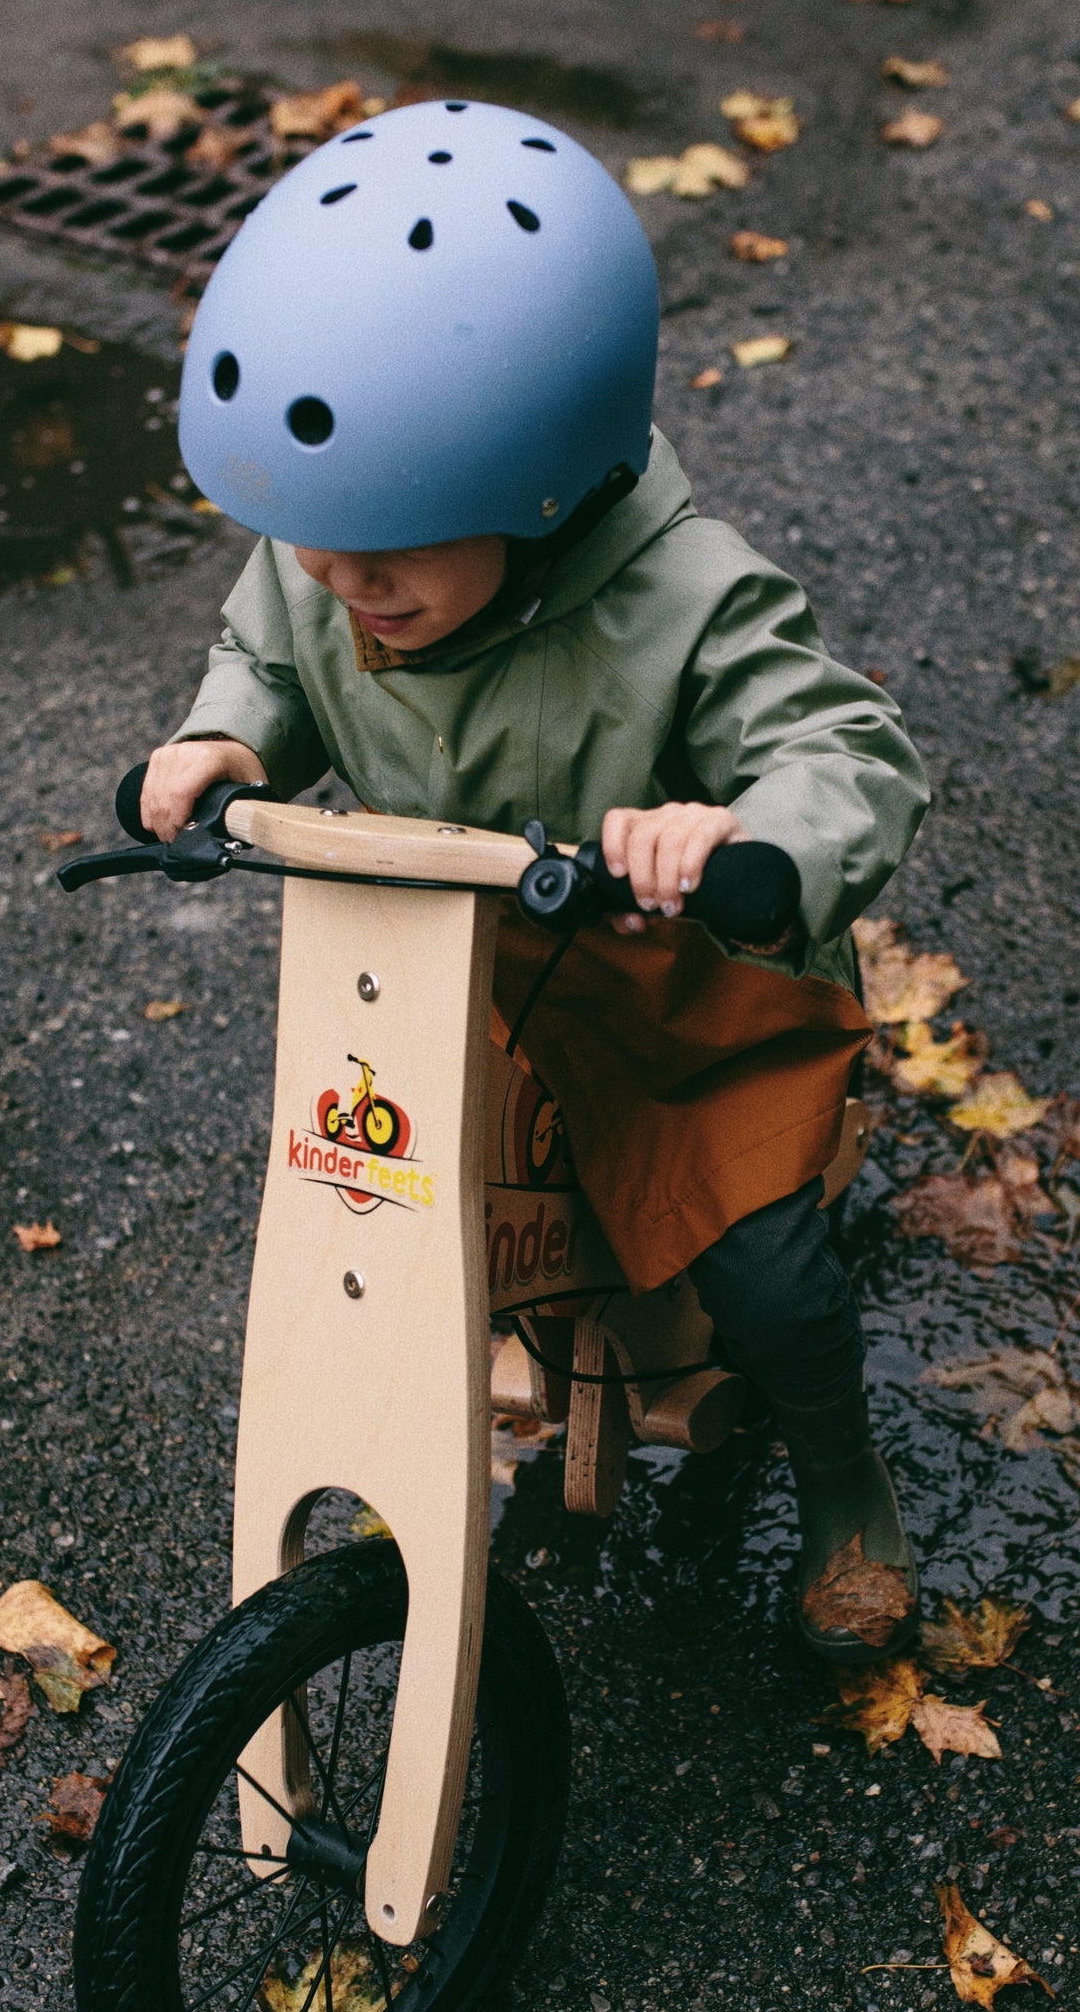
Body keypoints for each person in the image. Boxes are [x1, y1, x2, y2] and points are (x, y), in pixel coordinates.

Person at [140, 98, 931, 1662]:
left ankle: (845, 1478)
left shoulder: (686, 595)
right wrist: (228, 741)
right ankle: (458, 1428)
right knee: (378, 1209)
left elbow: (852, 748)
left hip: (674, 999)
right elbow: (265, 650)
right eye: (317, 544)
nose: (346, 585)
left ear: (545, 476)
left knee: (762, 1267)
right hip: (465, 989)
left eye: (393, 551)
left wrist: (746, 843)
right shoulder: (333, 557)